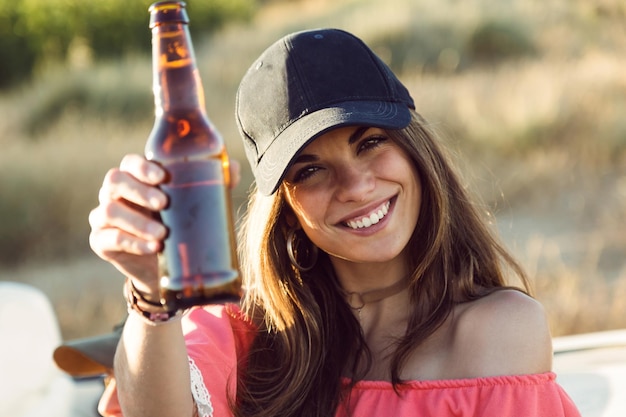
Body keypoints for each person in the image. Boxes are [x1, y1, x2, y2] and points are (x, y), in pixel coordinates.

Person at [88, 28, 581, 417]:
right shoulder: (245, 335)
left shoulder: (496, 331)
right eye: (310, 170)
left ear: (417, 153)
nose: (355, 185)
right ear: (286, 210)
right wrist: (151, 291)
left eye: (369, 142)